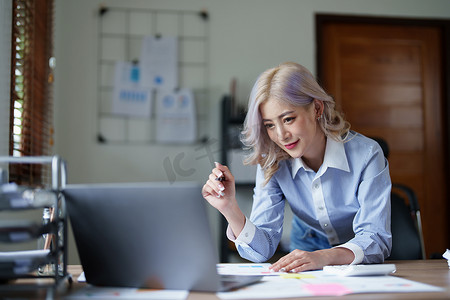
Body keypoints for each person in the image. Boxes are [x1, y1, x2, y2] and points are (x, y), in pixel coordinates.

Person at [202, 62, 391, 272]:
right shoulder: (272, 161)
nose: (281, 135)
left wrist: (324, 257)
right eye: (270, 125)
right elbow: (261, 251)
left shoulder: (367, 154)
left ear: (317, 108)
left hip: (357, 259)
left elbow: (376, 238)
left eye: (289, 119)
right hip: (306, 252)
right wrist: (229, 208)